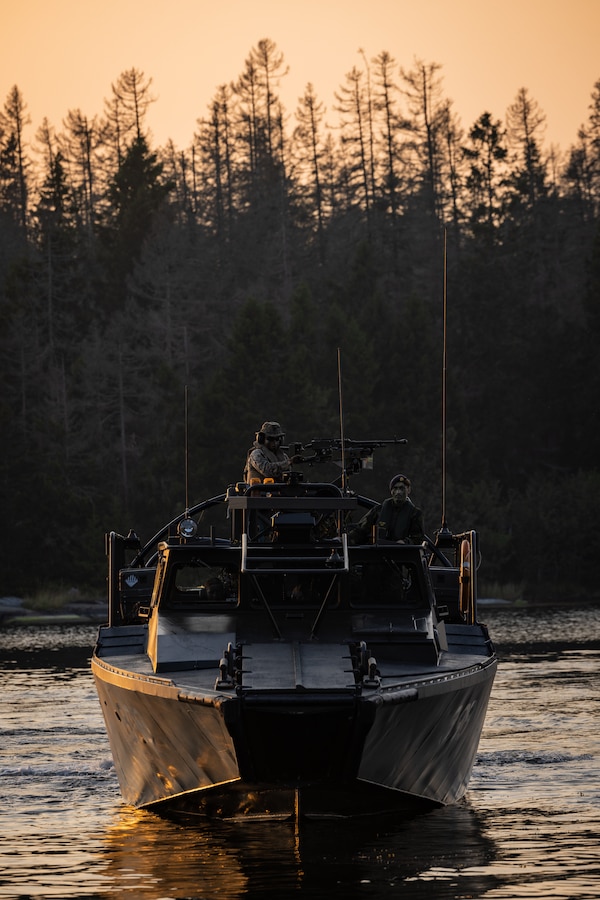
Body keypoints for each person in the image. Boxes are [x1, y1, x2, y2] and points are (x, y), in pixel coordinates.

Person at [349, 474, 425, 544]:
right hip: (378, 553)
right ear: (391, 491)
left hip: (403, 555)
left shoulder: (415, 514)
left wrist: (405, 542)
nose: (398, 492)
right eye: (395, 488)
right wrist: (347, 540)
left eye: (402, 488)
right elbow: (361, 531)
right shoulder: (378, 510)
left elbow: (418, 538)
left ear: (408, 490)